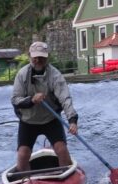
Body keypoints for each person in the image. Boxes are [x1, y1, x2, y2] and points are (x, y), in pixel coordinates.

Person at [11, 41, 78, 172]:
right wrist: (32, 100)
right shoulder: (22, 75)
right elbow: (15, 99)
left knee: (61, 149)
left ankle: (65, 177)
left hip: (51, 119)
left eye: (41, 57)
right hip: (28, 121)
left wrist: (72, 120)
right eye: (35, 57)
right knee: (23, 154)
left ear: (47, 57)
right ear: (30, 56)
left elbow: (65, 99)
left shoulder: (55, 75)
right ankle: (26, 182)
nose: (37, 60)